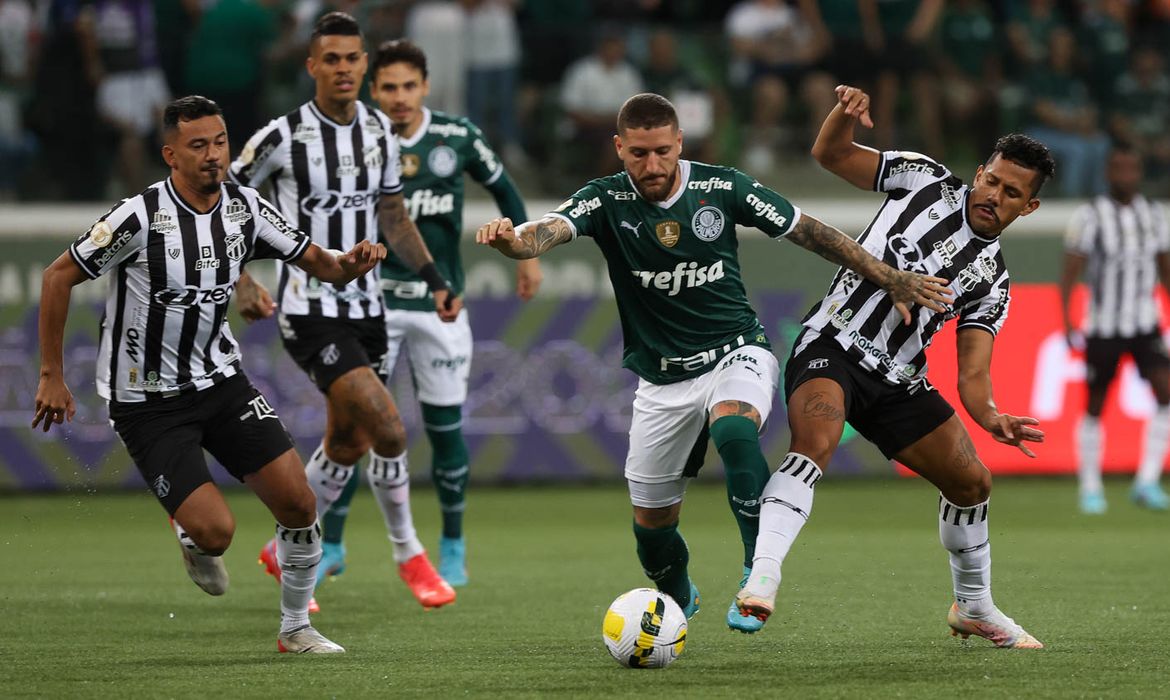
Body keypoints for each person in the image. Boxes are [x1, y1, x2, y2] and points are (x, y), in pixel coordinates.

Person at [475, 92, 950, 634]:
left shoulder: (722, 188)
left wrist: (890, 277)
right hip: (662, 381)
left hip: (735, 350)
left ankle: (756, 571)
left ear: (680, 143)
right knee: (651, 531)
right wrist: (513, 243)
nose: (652, 165)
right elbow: (546, 231)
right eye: (638, 154)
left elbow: (810, 231)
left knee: (734, 429)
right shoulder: (604, 199)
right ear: (619, 148)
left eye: (662, 151)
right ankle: (678, 593)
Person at [32, 95, 385, 653]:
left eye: (219, 142)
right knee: (217, 534)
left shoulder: (245, 207)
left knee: (299, 502)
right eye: (198, 145)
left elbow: (321, 262)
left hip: (221, 382)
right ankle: (192, 534)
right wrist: (51, 373)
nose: (214, 155)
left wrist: (350, 264)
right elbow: (57, 277)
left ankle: (296, 628)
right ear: (171, 155)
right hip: (147, 401)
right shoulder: (138, 216)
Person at [736, 85, 1053, 649]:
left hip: (899, 380)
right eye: (991, 180)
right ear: (980, 171)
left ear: (1027, 207)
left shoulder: (993, 283)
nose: (993, 195)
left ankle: (973, 606)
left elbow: (972, 373)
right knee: (816, 442)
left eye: (1011, 193)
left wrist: (991, 415)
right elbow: (831, 154)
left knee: (972, 481)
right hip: (832, 342)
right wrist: (843, 114)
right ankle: (762, 577)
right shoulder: (923, 178)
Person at [228, 12, 457, 611]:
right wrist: (241, 279)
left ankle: (281, 550)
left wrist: (435, 279)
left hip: (367, 307)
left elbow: (393, 216)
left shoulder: (379, 130)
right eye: (331, 59)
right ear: (312, 66)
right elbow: (218, 200)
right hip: (308, 308)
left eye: (353, 58)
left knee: (348, 442)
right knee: (388, 426)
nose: (343, 68)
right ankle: (410, 553)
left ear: (364, 63)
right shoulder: (281, 136)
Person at [314, 38, 542, 587]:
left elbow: (506, 191)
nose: (399, 97)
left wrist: (528, 254)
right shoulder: (355, 140)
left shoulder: (456, 137)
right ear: (373, 90)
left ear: (426, 87)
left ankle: (452, 545)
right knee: (353, 426)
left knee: (444, 430)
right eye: (389, 87)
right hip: (371, 303)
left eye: (409, 86)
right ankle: (333, 545)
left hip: (440, 307)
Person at [1061, 144, 1170, 514]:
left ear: (1139, 172)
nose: (1126, 175)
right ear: (1108, 173)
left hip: (1144, 322)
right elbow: (1070, 271)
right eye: (1119, 168)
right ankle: (1090, 488)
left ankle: (1147, 481)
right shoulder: (1090, 215)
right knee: (1095, 403)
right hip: (1104, 326)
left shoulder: (1153, 215)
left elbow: (1165, 267)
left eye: (1132, 168)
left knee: (1166, 392)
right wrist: (1067, 318)